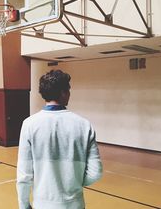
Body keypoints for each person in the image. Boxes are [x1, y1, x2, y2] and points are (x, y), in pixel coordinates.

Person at [16, 69, 102, 209]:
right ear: (63, 92)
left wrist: (24, 205)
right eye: (68, 90)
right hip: (76, 204)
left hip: (42, 204)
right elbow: (95, 172)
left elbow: (24, 175)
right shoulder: (84, 125)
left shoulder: (29, 125)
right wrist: (75, 182)